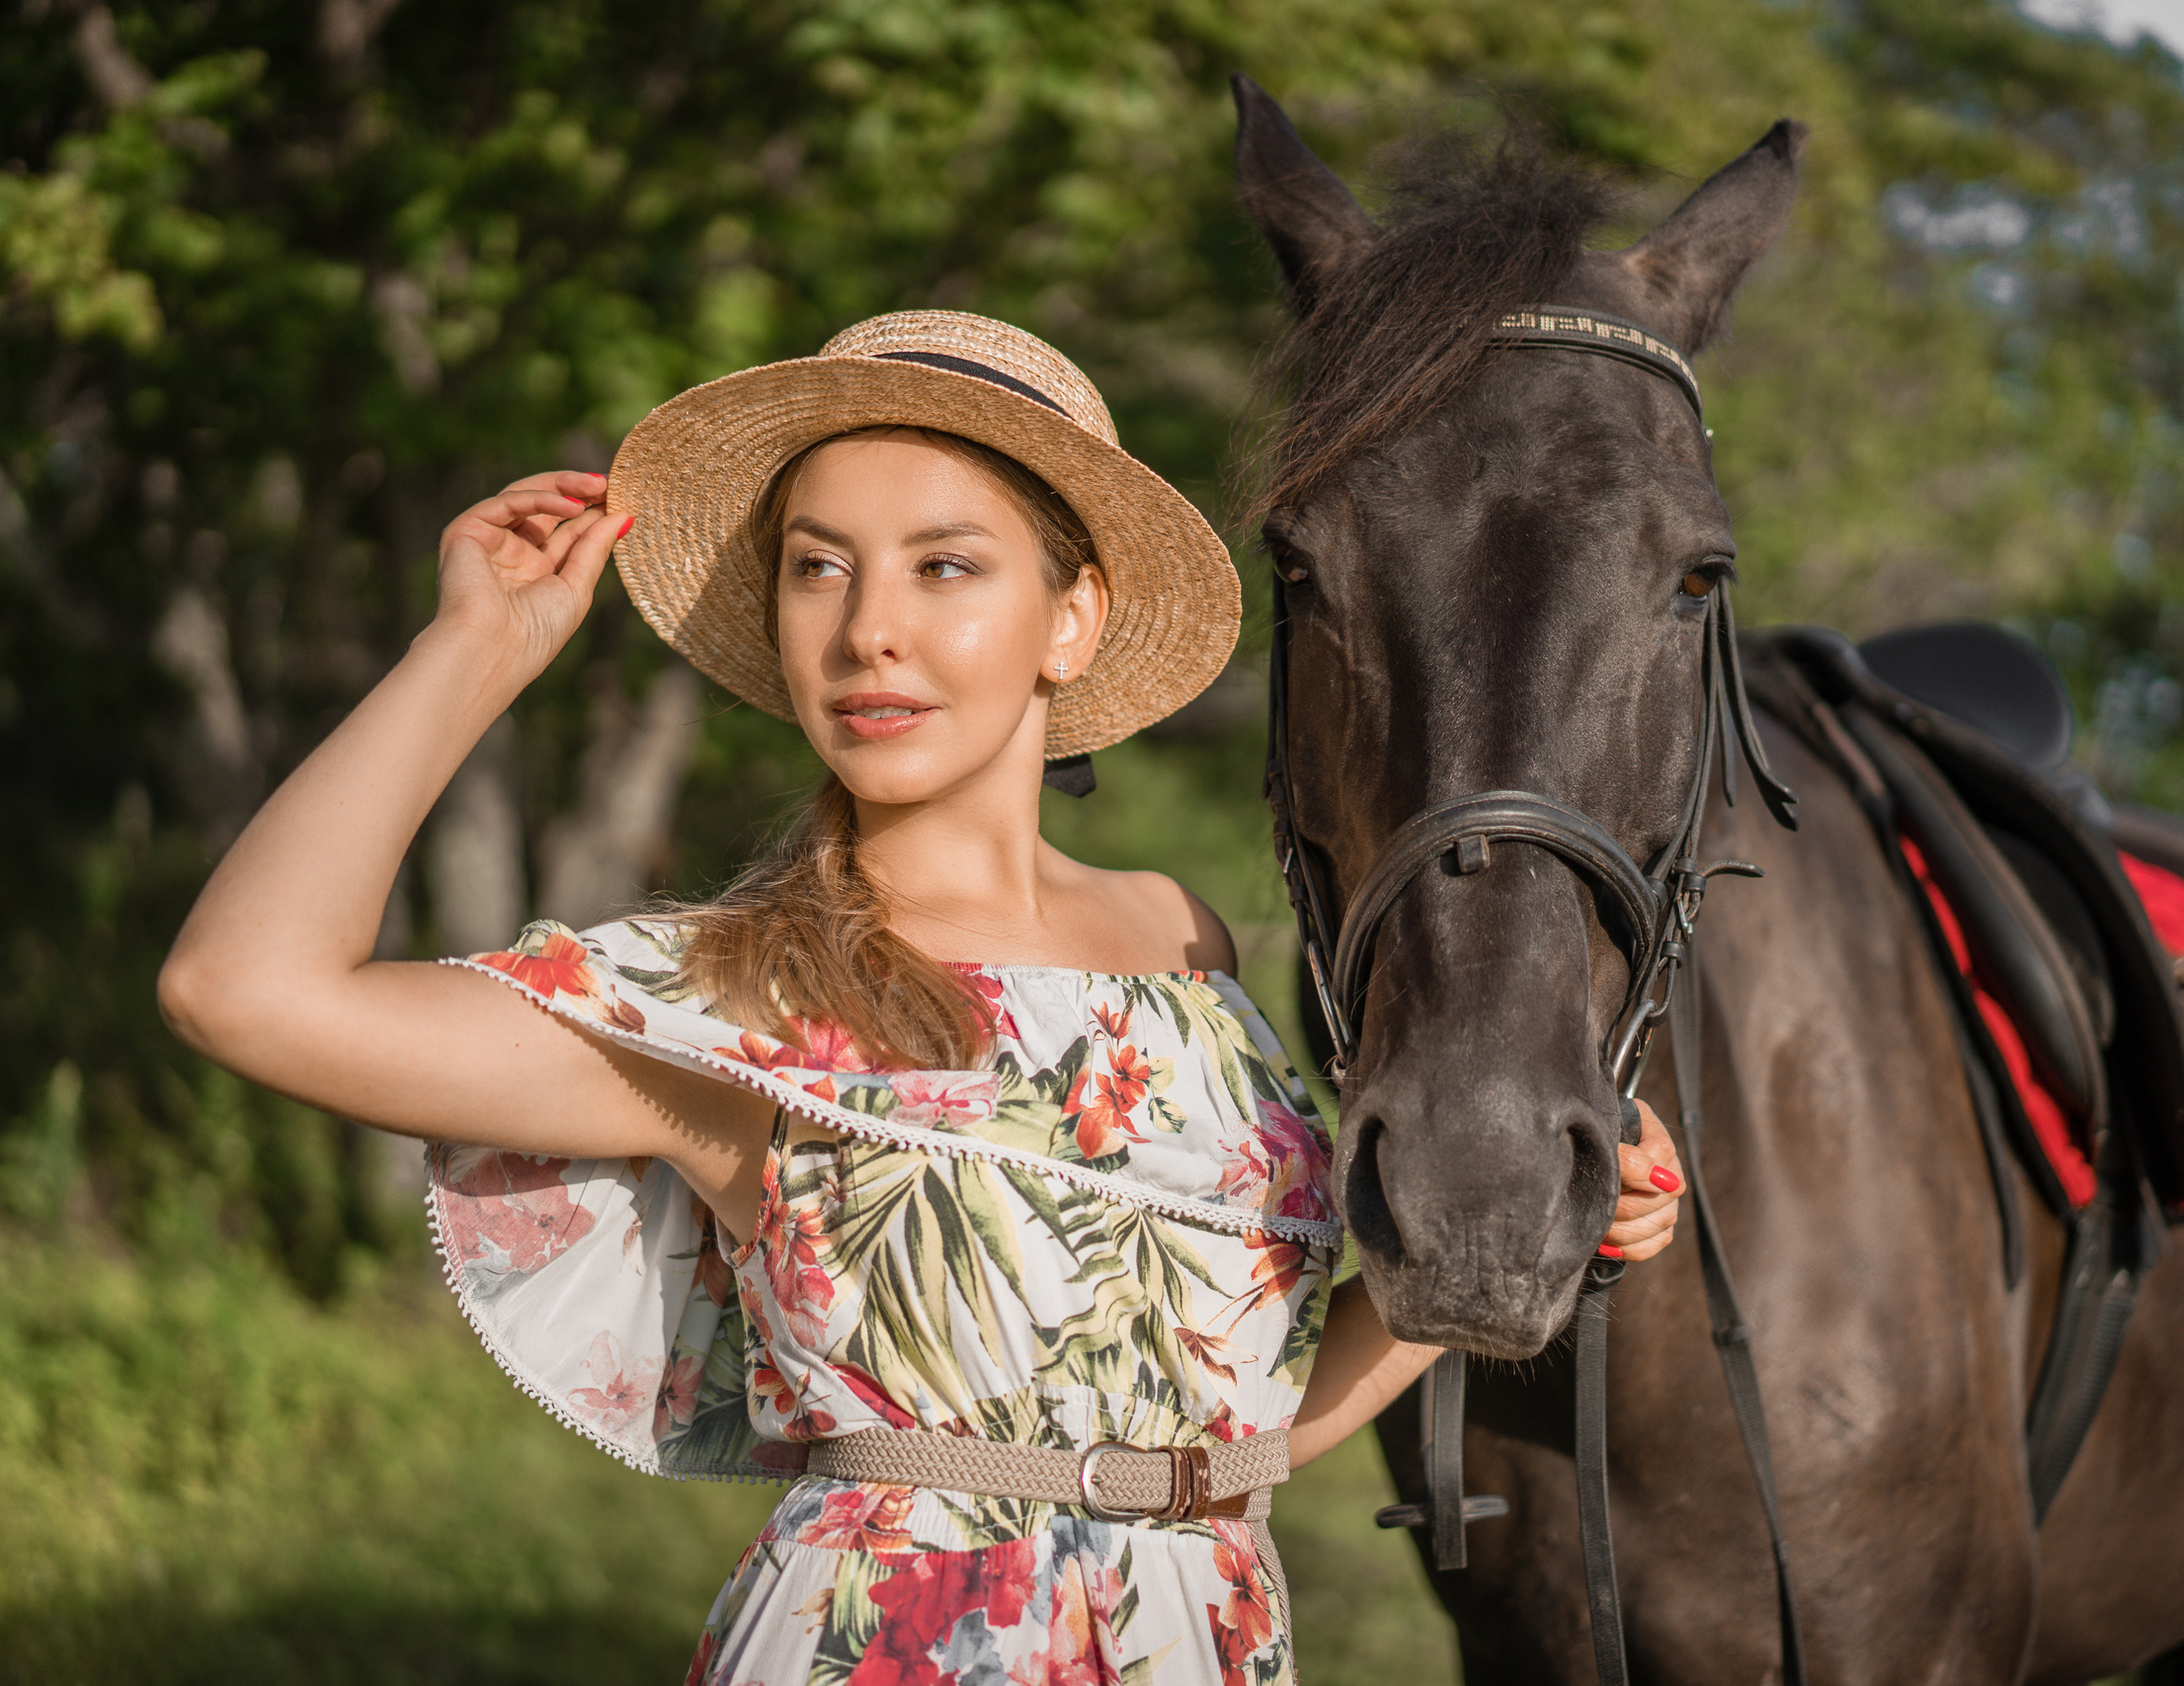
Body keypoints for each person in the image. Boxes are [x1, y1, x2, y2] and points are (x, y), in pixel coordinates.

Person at [159, 310, 1684, 1684]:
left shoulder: (1184, 946)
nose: (866, 625)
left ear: (1069, 621)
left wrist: (1517, 1237)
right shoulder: (743, 994)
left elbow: (1235, 1427)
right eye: (820, 565)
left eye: (943, 564)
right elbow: (243, 991)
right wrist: (473, 652)